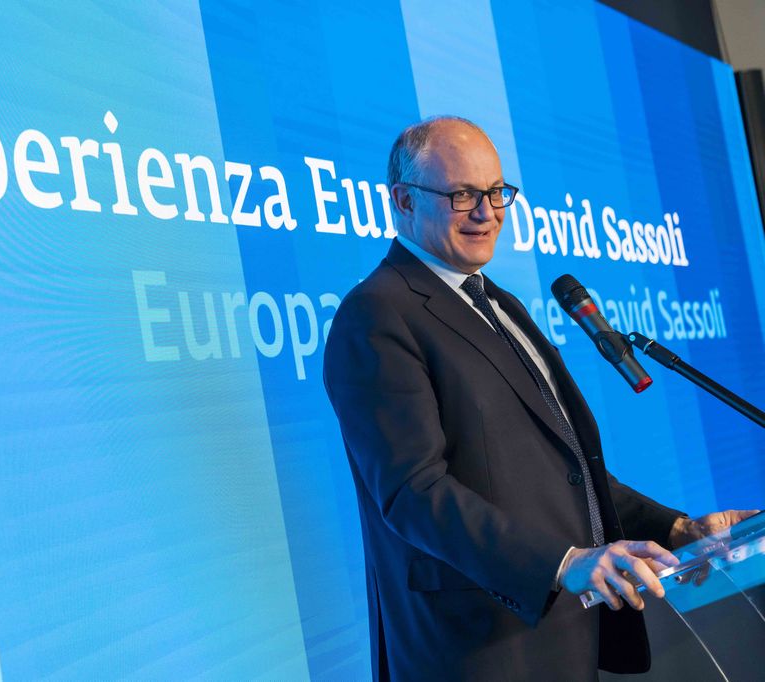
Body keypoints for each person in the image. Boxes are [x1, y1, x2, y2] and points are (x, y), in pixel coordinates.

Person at [323, 116, 757, 681]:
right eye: (462, 195)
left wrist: (676, 529)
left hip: (563, 635)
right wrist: (562, 563)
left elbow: (568, 475)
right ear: (404, 200)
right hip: (477, 651)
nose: (486, 213)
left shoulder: (501, 304)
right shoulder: (377, 314)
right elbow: (414, 493)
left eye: (496, 192)